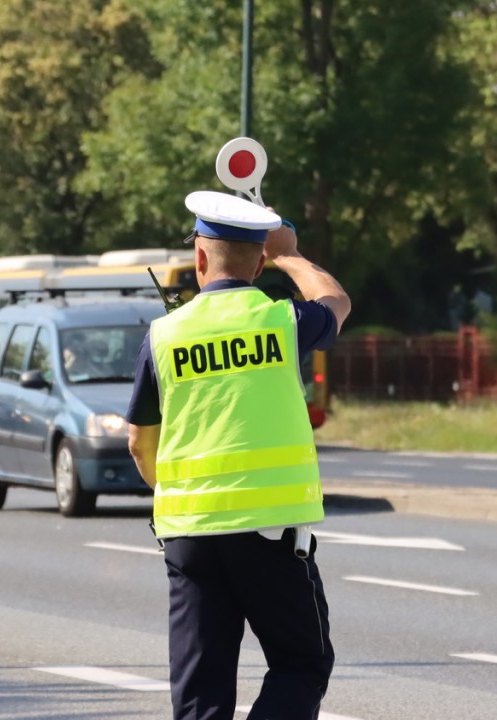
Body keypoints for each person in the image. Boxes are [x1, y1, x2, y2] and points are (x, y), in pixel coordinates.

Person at [127, 190, 352, 720]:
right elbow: (337, 303)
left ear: (199, 259)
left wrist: (178, 496)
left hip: (189, 536)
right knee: (301, 664)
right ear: (258, 263)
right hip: (268, 534)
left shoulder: (163, 335)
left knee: (201, 694)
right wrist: (291, 255)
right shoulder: (281, 322)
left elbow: (139, 439)